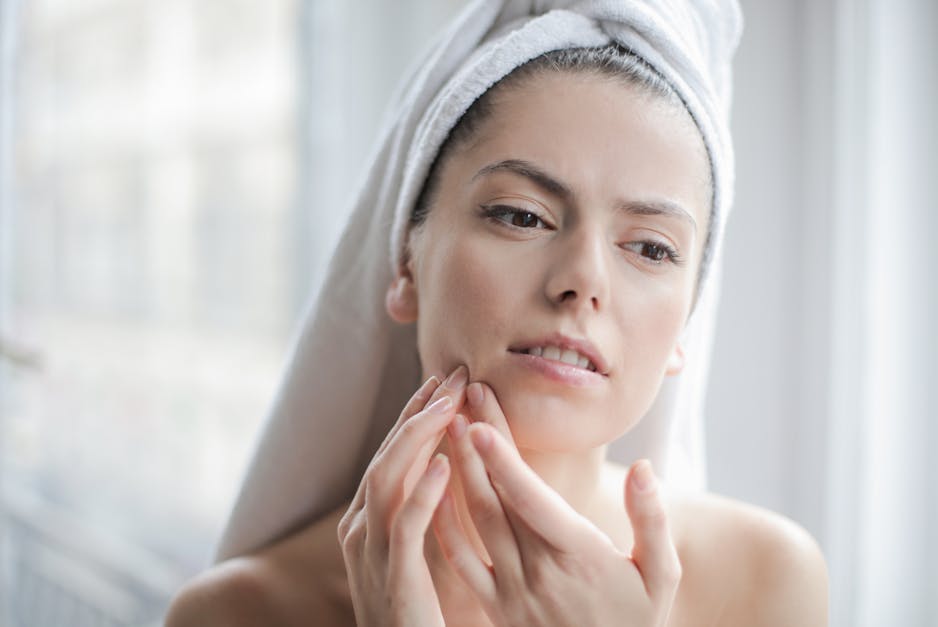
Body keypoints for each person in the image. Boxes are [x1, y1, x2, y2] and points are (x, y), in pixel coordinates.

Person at [166, 2, 828, 625]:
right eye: (521, 215)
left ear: (687, 322)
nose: (583, 280)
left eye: (651, 247)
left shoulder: (764, 582)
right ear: (405, 263)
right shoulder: (238, 612)